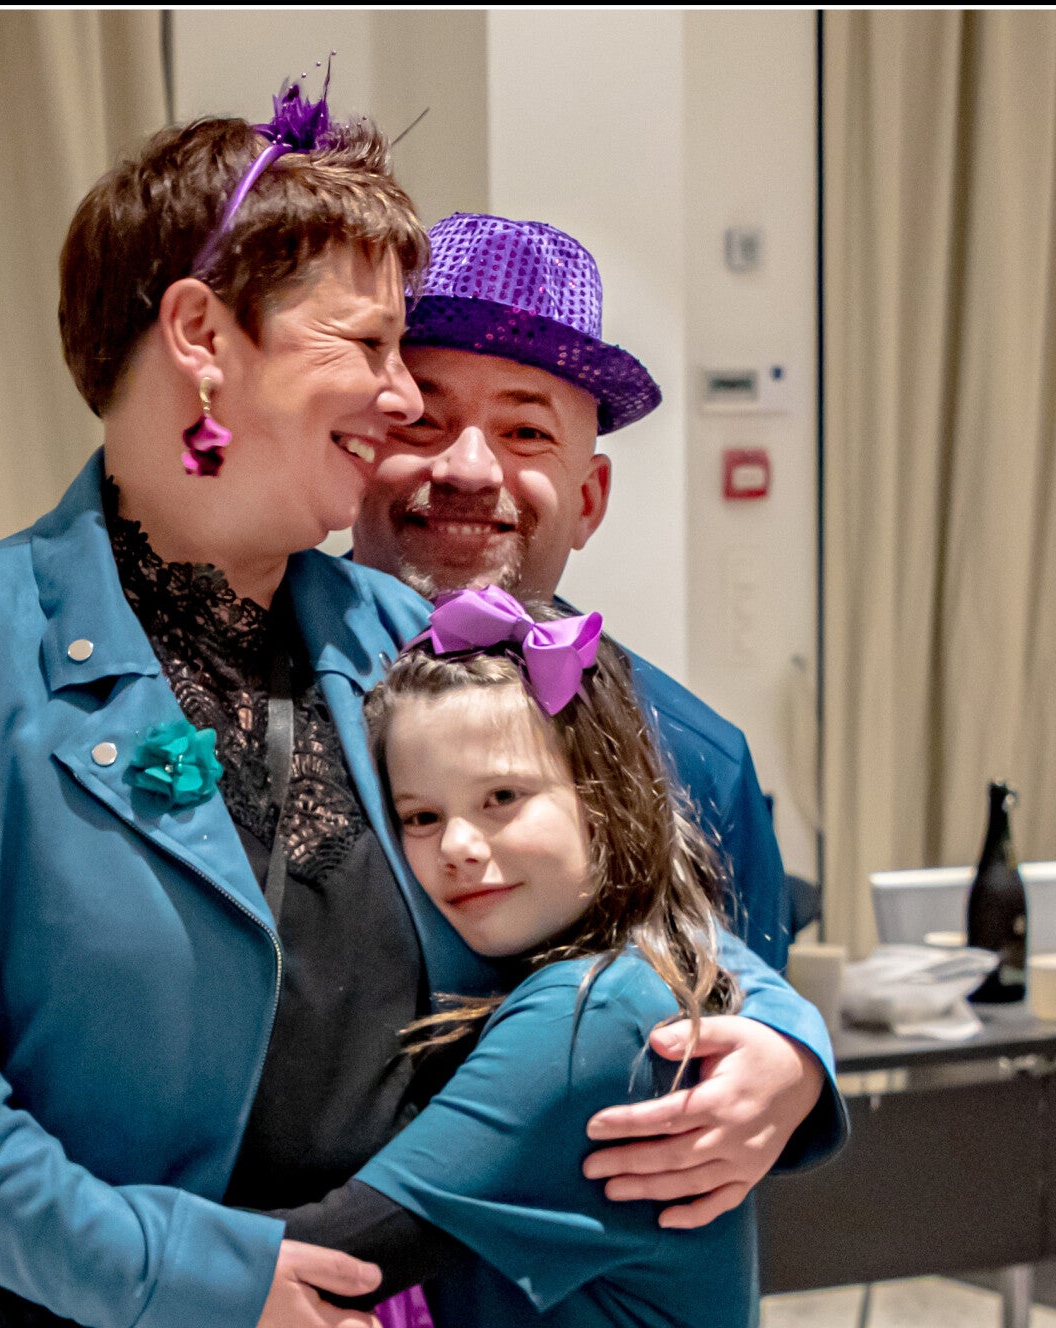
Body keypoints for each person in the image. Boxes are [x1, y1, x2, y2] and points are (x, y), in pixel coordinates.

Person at [0, 83, 842, 1328]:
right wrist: (170, 1280)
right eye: (371, 346)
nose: (404, 403)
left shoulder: (412, 642)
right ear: (200, 337)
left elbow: (615, 887)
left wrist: (779, 1036)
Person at [0, 593, 826, 1328]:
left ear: (607, 797)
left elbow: (328, 1258)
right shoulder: (572, 976)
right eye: (419, 816)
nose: (458, 845)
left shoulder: (591, 1020)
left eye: (501, 797)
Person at [350, 215, 834, 1228]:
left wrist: (789, 1055)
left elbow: (727, 1027)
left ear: (590, 496)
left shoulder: (693, 755)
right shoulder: (254, 693)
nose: (469, 467)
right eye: (422, 421)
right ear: (353, 445)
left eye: (525, 432)